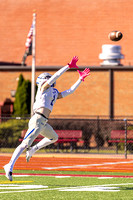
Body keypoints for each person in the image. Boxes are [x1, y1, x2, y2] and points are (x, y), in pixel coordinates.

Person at [3, 56, 90, 181]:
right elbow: (55, 76)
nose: (51, 80)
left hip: (43, 122)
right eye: (48, 79)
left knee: (54, 137)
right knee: (24, 144)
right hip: (37, 120)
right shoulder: (43, 89)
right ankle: (9, 165)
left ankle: (33, 150)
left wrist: (80, 79)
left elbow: (69, 91)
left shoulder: (53, 93)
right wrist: (68, 66)